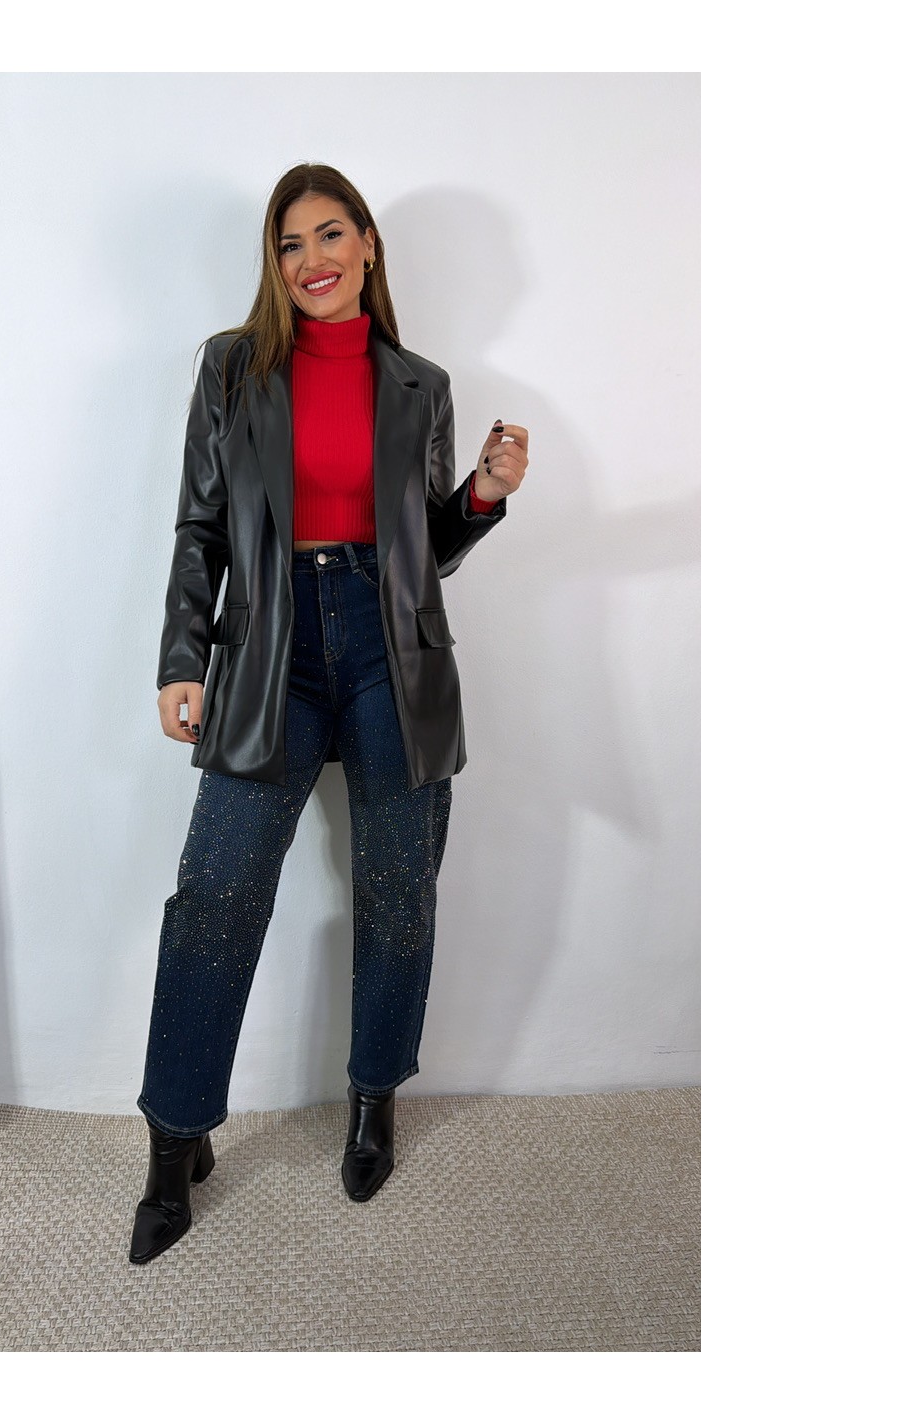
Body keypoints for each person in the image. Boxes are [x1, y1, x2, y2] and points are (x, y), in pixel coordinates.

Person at [130, 163, 528, 1265]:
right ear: (276, 262)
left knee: (399, 891)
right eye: (291, 243)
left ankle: (373, 1099)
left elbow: (423, 552)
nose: (313, 260)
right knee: (215, 895)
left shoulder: (421, 385)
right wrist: (181, 658)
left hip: (395, 654)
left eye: (331, 234)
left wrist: (482, 497)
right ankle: (174, 1139)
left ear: (367, 246)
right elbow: (200, 528)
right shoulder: (232, 367)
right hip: (270, 647)